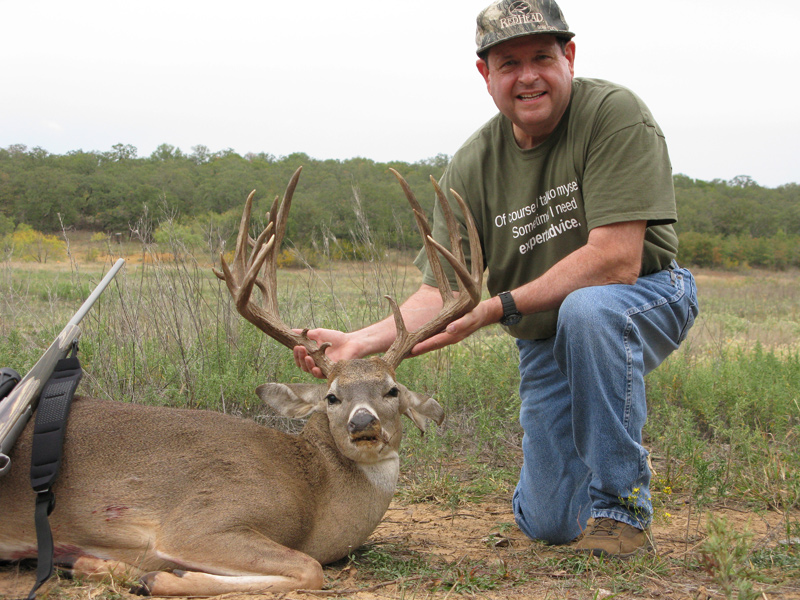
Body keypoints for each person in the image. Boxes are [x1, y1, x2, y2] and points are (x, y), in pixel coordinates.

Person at [295, 0, 698, 557]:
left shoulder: (614, 113)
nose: (527, 75)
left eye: (542, 57)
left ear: (570, 58)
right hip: (542, 332)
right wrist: (359, 342)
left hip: (643, 298)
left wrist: (496, 307)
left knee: (589, 312)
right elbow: (445, 293)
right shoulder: (472, 165)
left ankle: (620, 511)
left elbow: (615, 259)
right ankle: (578, 472)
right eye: (508, 63)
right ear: (486, 75)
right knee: (550, 524)